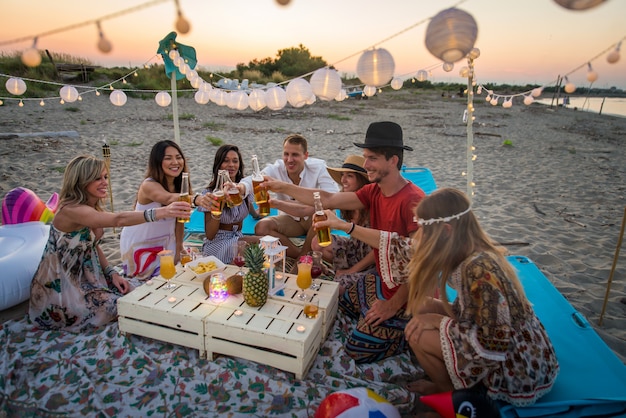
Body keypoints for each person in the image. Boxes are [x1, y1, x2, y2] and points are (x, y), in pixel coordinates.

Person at [315, 188, 559, 406]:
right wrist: (346, 226)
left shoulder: (480, 268)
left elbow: (494, 340)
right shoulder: (457, 246)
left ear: (446, 230)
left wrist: (438, 322)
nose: (419, 235)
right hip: (482, 325)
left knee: (418, 332)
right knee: (418, 306)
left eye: (423, 228)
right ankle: (446, 379)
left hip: (515, 362)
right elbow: (397, 245)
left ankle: (450, 394)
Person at [263, 121, 425, 363]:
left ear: (393, 160)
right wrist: (282, 186)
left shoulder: (414, 200)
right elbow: (327, 198)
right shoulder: (374, 192)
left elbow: (421, 266)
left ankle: (408, 333)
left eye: (372, 158)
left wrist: (391, 306)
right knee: (336, 303)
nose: (366, 164)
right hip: (381, 280)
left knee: (355, 350)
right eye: (365, 157)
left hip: (407, 296)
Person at [29, 155, 190, 331]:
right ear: (81, 181)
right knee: (122, 307)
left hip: (90, 277)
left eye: (105, 177)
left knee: (136, 291)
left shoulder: (90, 207)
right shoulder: (71, 210)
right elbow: (119, 220)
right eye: (97, 178)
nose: (105, 182)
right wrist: (163, 211)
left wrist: (111, 272)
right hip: (63, 289)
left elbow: (92, 245)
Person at [240, 134, 338, 259]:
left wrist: (278, 203)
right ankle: (300, 255)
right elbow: (255, 178)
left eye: (295, 155)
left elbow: (332, 200)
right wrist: (241, 187)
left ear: (306, 156)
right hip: (291, 219)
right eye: (286, 154)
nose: (289, 159)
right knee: (262, 227)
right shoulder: (277, 168)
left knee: (322, 214)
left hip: (314, 219)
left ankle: (300, 259)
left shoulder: (319, 167)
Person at [120, 140, 191, 279]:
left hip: (166, 242)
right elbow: (167, 198)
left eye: (178, 157)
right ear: (157, 162)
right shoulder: (149, 185)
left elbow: (180, 221)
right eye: (168, 158)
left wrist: (179, 246)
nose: (175, 162)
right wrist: (195, 199)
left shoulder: (180, 186)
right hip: (142, 243)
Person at [313, 155, 375, 292]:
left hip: (372, 260)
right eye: (342, 175)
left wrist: (352, 271)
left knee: (338, 286)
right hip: (355, 249)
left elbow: (378, 250)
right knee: (317, 242)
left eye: (349, 176)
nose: (343, 180)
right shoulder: (346, 201)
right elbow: (317, 204)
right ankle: (341, 271)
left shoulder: (373, 207)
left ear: (361, 180)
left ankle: (346, 275)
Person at [197, 144, 259, 263]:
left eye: (235, 161)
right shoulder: (211, 194)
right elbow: (210, 235)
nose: (231, 165)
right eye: (226, 161)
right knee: (258, 245)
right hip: (218, 243)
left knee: (269, 242)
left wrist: (256, 214)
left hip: (238, 238)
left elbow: (248, 204)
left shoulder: (243, 188)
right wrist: (220, 204)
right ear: (218, 165)